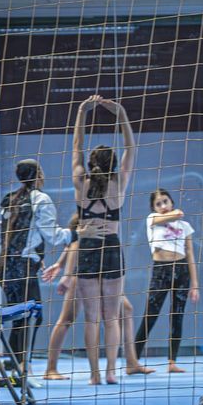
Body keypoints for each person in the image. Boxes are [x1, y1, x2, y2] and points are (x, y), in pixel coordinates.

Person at [40, 215, 154, 379]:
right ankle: (51, 368)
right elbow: (75, 242)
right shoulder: (90, 214)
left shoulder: (102, 211)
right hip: (83, 274)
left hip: (101, 271)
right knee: (67, 318)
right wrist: (67, 274)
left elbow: (74, 241)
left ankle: (131, 362)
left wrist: (60, 264)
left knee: (126, 309)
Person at [72, 94, 136, 386]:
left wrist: (83, 112)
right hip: (110, 247)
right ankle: (111, 371)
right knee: (112, 317)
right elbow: (130, 147)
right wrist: (120, 113)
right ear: (112, 164)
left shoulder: (80, 182)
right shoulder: (118, 183)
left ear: (91, 163)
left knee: (91, 318)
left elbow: (76, 146)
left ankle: (95, 374)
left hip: (87, 247)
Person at [0, 158, 74, 376]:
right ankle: (20, 364)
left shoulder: (9, 199)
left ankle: (16, 363)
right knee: (32, 315)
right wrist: (75, 233)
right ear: (38, 174)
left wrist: (36, 257)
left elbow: (8, 237)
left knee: (19, 316)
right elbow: (53, 235)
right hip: (21, 267)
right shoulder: (41, 199)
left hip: (5, 267)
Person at [134, 189, 200, 373]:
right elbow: (177, 213)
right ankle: (134, 360)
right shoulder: (153, 220)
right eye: (158, 203)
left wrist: (194, 284)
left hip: (181, 271)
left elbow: (190, 254)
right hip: (161, 270)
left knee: (177, 316)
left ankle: (172, 361)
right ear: (153, 208)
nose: (163, 206)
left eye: (166, 201)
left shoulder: (184, 226)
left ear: (172, 201)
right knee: (150, 316)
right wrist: (173, 213)